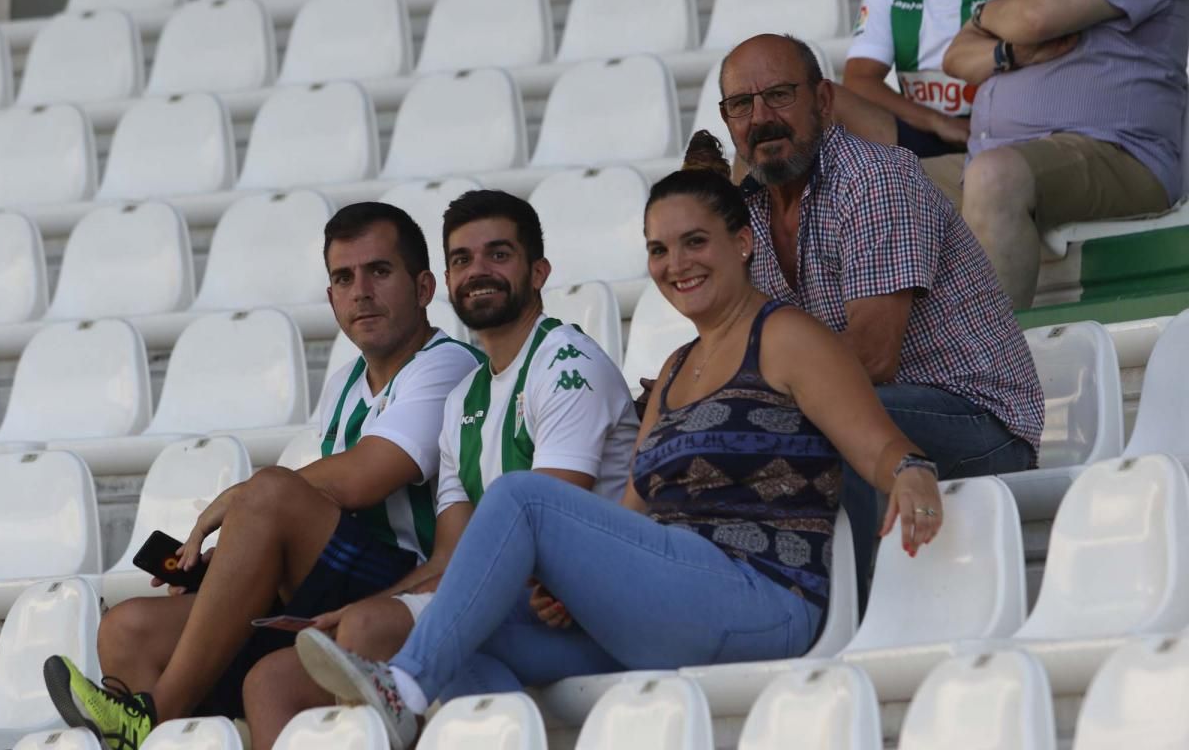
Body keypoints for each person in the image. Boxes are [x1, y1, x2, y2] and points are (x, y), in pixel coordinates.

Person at [282, 133, 946, 748]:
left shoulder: (787, 336)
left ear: (742, 242)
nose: (675, 264)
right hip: (668, 602)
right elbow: (628, 518)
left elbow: (878, 444)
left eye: (694, 243)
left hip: (765, 597)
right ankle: (430, 685)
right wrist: (575, 584)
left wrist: (911, 471)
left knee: (522, 500)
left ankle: (407, 688)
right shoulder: (675, 373)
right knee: (464, 642)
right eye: (659, 250)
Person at [42, 203, 484, 749]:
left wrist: (240, 502)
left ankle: (152, 715)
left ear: (423, 288)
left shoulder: (450, 364)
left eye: (379, 271)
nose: (361, 291)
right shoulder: (346, 380)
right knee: (127, 629)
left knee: (271, 492)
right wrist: (233, 564)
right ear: (330, 299)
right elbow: (327, 505)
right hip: (334, 574)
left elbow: (365, 477)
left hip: (407, 590)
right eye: (344, 278)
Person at [240, 190, 641, 749]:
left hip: (584, 615)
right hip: (503, 606)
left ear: (539, 270)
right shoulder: (465, 397)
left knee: (368, 632)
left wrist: (376, 614)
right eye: (462, 260)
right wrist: (372, 602)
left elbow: (546, 541)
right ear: (446, 282)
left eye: (498, 255)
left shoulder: (568, 365)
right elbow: (451, 556)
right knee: (271, 680)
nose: (478, 271)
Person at [718, 33, 1043, 609]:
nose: (760, 118)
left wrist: (742, 392)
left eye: (778, 95)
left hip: (979, 421)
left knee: (815, 416)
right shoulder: (747, 215)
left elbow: (872, 359)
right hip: (880, 415)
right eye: (741, 105)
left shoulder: (876, 179)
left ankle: (862, 617)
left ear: (823, 101)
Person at [930, 0, 1189, 307]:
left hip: (1118, 154)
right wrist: (1011, 53)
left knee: (994, 178)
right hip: (997, 155)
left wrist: (984, 14)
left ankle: (994, 359)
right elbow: (956, 58)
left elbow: (1037, 18)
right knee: (883, 179)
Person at [846, 0, 1011, 158]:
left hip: (993, 137)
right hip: (921, 130)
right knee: (830, 101)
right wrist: (938, 122)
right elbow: (858, 80)